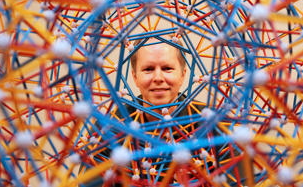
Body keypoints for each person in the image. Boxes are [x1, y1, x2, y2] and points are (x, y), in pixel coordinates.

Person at [79, 36, 249, 186]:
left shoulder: (214, 125)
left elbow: (240, 182)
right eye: (148, 69)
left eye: (167, 68)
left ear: (183, 75)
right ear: (135, 77)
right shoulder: (110, 127)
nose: (158, 78)